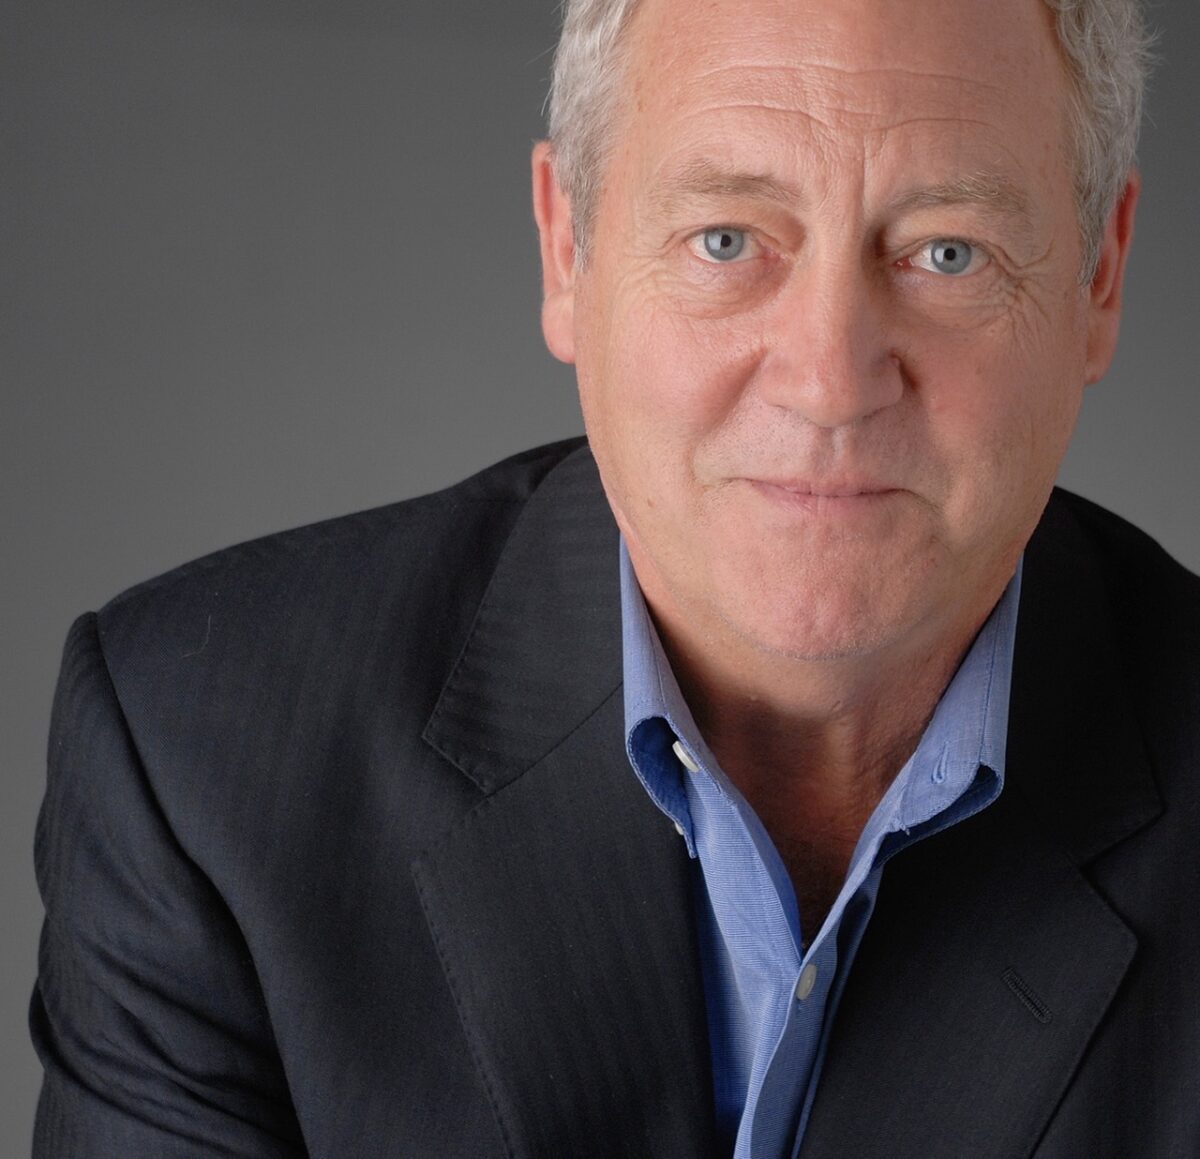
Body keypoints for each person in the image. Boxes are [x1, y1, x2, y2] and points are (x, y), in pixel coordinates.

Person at [30, 0, 1196, 1155]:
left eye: (947, 251)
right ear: (566, 248)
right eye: (727, 239)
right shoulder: (202, 767)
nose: (831, 381)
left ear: (1099, 277)